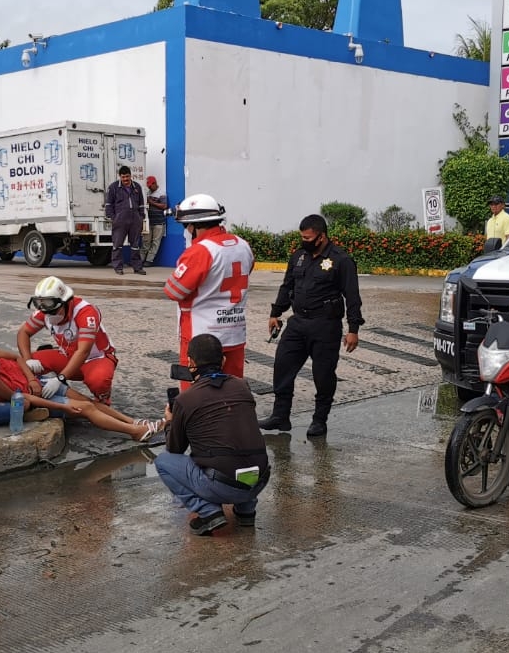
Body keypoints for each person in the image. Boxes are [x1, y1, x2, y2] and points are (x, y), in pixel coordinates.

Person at [0, 308, 165, 440]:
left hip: (33, 385)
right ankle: (134, 431)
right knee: (84, 408)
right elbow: (17, 397)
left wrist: (33, 379)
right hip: (28, 396)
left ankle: (132, 420)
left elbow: (14, 357)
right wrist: (62, 406)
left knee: (86, 401)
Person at [155, 333, 270, 536]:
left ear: (190, 363)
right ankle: (246, 511)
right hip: (259, 479)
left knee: (163, 462)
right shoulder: (242, 386)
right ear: (223, 361)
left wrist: (170, 422)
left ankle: (208, 512)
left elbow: (174, 449)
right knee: (241, 452)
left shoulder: (186, 399)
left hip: (224, 485)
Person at [260, 214, 364, 438]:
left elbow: (352, 297)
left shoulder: (341, 260)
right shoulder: (299, 257)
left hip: (325, 326)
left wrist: (353, 329)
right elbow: (287, 286)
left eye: (307, 237)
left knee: (323, 375)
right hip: (297, 323)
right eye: (301, 236)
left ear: (321, 237)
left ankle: (319, 420)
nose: (303, 241)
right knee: (282, 366)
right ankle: (280, 415)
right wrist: (275, 312)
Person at [163, 193, 254, 379]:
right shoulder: (243, 245)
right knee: (232, 386)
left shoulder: (199, 252)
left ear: (192, 226)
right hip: (234, 332)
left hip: (201, 336)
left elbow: (173, 291)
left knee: (196, 393)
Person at [16, 276, 118, 404]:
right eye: (40, 304)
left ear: (64, 302)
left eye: (51, 308)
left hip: (95, 358)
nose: (48, 314)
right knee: (23, 366)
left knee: (99, 380)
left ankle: (102, 400)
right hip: (67, 355)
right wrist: (28, 360)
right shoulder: (45, 310)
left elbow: (84, 351)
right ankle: (35, 392)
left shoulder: (85, 312)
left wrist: (60, 379)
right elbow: (23, 333)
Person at [104, 164, 146, 274]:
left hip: (135, 220)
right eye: (123, 177)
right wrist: (114, 218)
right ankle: (118, 267)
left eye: (127, 176)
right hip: (120, 221)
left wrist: (141, 217)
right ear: (120, 177)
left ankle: (137, 267)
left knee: (135, 245)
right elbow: (109, 205)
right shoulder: (113, 187)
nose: (125, 179)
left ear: (131, 176)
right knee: (117, 244)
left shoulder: (137, 187)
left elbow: (141, 203)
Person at [144, 175, 168, 264]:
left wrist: (151, 202)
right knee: (146, 241)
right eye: (148, 186)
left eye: (150, 185)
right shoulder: (148, 193)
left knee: (155, 242)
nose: (150, 187)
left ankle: (149, 260)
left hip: (159, 222)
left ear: (155, 183)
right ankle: (140, 260)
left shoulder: (161, 193)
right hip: (149, 221)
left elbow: (164, 206)